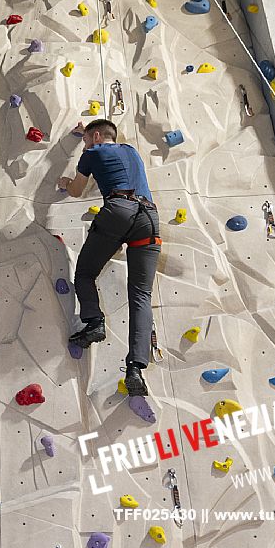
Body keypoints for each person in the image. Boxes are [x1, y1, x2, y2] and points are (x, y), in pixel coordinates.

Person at [57, 119, 161, 396]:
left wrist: (65, 182)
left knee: (85, 274)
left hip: (119, 211)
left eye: (86, 140)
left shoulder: (92, 152)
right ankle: (135, 369)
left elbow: (78, 190)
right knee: (141, 295)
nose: (85, 145)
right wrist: (85, 131)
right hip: (149, 218)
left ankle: (94, 322)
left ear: (97, 137)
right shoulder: (131, 151)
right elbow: (109, 139)